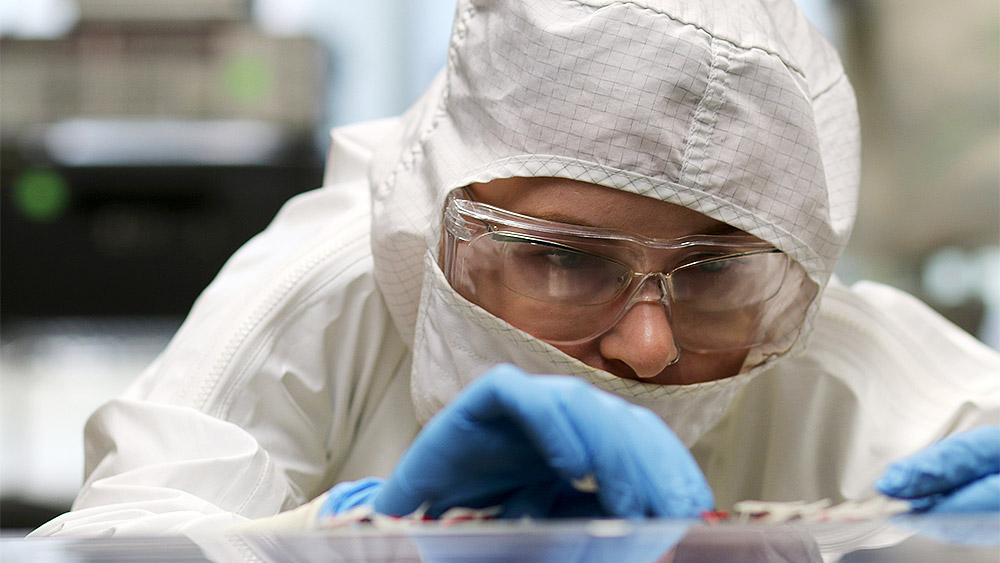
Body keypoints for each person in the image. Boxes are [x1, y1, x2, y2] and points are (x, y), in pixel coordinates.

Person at [33, 0, 999, 537]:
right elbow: (123, 540)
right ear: (435, 213)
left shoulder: (830, 356)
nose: (649, 344)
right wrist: (371, 539)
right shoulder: (326, 294)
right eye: (562, 258)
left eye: (712, 273)